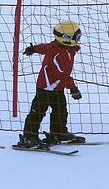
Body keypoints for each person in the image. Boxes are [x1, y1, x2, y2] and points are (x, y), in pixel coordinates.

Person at [17, 20, 85, 148]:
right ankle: (29, 137)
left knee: (60, 110)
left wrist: (34, 48)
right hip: (46, 87)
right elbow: (63, 75)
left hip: (57, 87)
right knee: (38, 111)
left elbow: (44, 47)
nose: (78, 39)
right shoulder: (60, 54)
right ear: (67, 38)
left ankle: (58, 133)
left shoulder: (59, 47)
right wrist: (74, 89)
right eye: (77, 37)